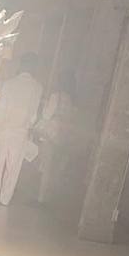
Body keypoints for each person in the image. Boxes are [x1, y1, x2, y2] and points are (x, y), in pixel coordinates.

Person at [0, 52, 44, 206]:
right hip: (21, 132)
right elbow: (33, 115)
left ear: (21, 65)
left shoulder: (9, 84)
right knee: (13, 169)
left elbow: (1, 108)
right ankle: (5, 198)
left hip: (5, 130)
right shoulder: (37, 88)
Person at [35, 69, 76, 206]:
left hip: (50, 133)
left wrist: (44, 106)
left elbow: (46, 115)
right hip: (61, 134)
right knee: (53, 167)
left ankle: (40, 198)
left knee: (45, 166)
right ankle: (48, 197)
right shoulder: (69, 100)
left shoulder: (55, 96)